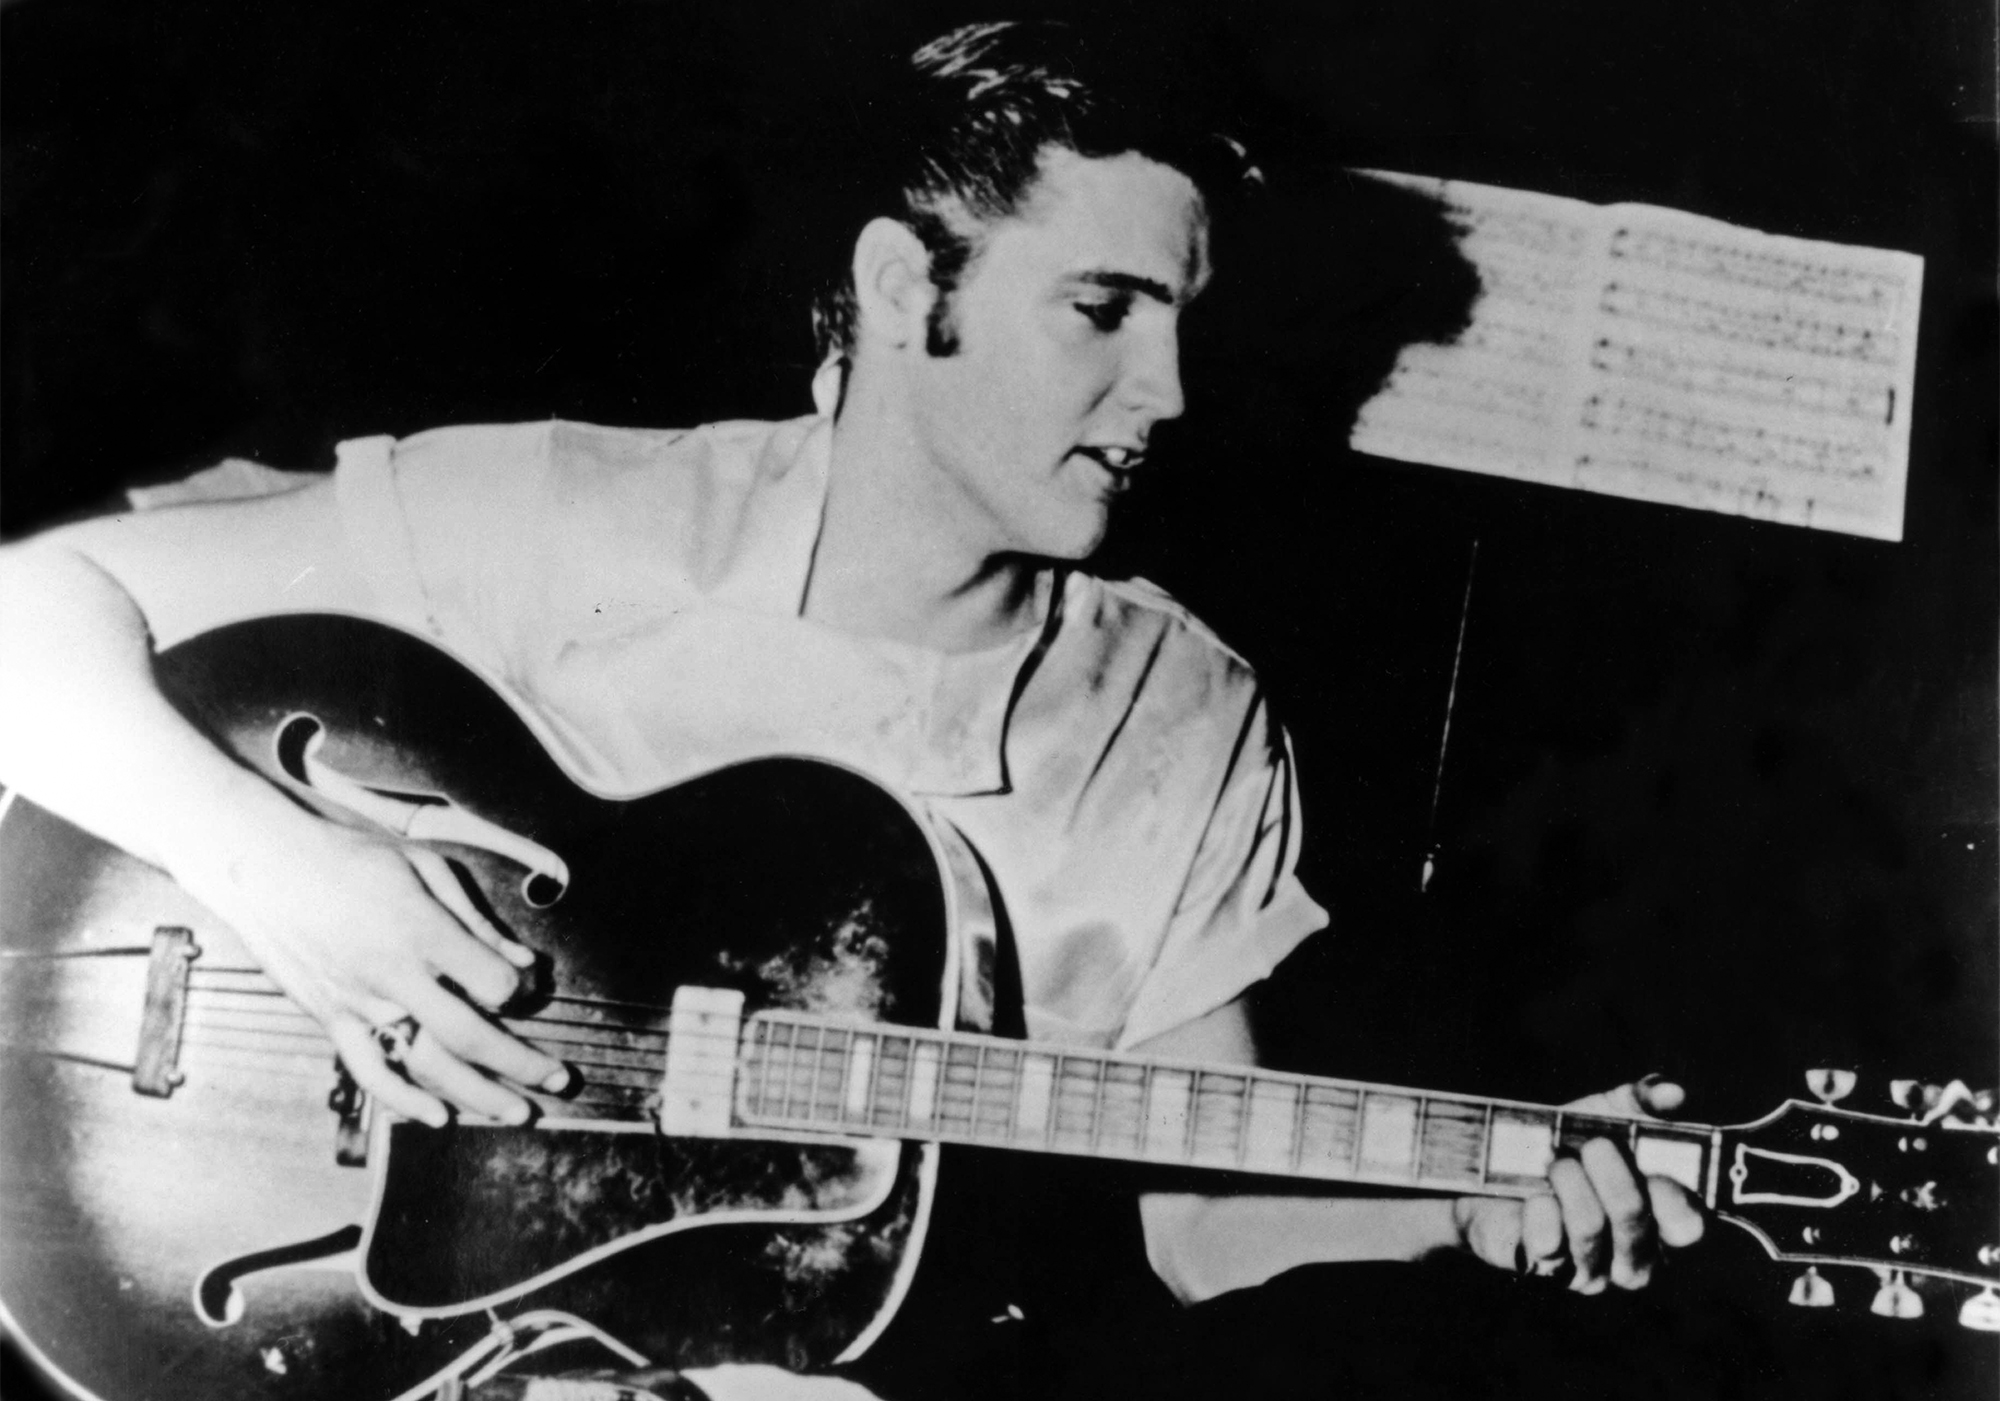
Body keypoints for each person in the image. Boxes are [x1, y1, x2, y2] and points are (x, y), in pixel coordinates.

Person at [0, 20, 1701, 1400]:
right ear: (906, 288)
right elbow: (24, 615)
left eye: (1185, 327)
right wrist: (288, 878)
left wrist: (1462, 1210)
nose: (1167, 392)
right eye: (1103, 312)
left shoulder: (1185, 716)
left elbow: (1190, 1216)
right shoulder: (581, 521)